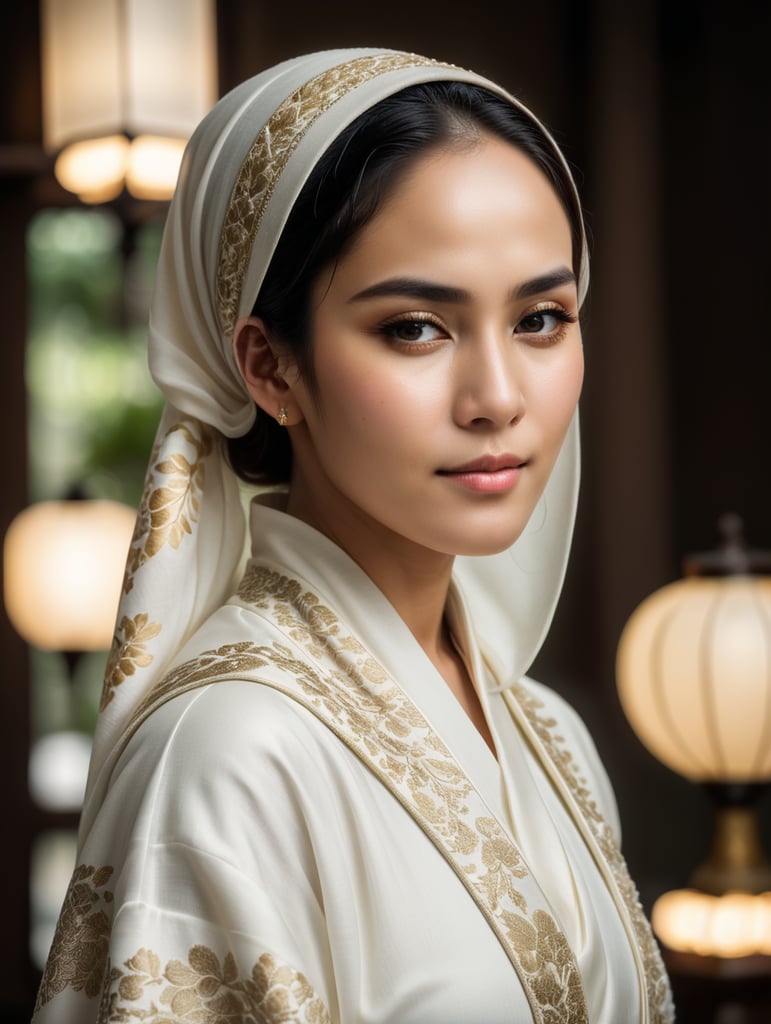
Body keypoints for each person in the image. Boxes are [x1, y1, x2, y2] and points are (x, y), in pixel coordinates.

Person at [32, 47, 674, 1023]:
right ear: (269, 365)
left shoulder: (551, 736)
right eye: (417, 327)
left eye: (543, 318)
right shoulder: (228, 755)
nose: (500, 397)